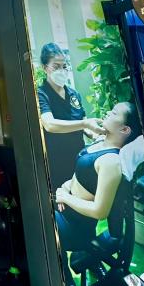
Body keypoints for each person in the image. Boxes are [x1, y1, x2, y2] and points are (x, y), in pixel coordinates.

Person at [54, 102, 142, 286]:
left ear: (125, 129)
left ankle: (64, 283)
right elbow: (82, 177)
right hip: (65, 211)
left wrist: (66, 198)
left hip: (75, 228)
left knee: (39, 221)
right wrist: (65, 188)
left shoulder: (111, 162)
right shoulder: (100, 142)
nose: (108, 112)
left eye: (114, 113)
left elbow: (100, 211)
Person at [37, 43, 105, 188]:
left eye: (64, 66)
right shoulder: (41, 94)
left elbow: (84, 124)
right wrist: (85, 124)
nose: (61, 71)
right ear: (44, 68)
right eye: (56, 66)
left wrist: (96, 135)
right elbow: (50, 125)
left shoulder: (74, 94)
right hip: (57, 161)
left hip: (78, 158)